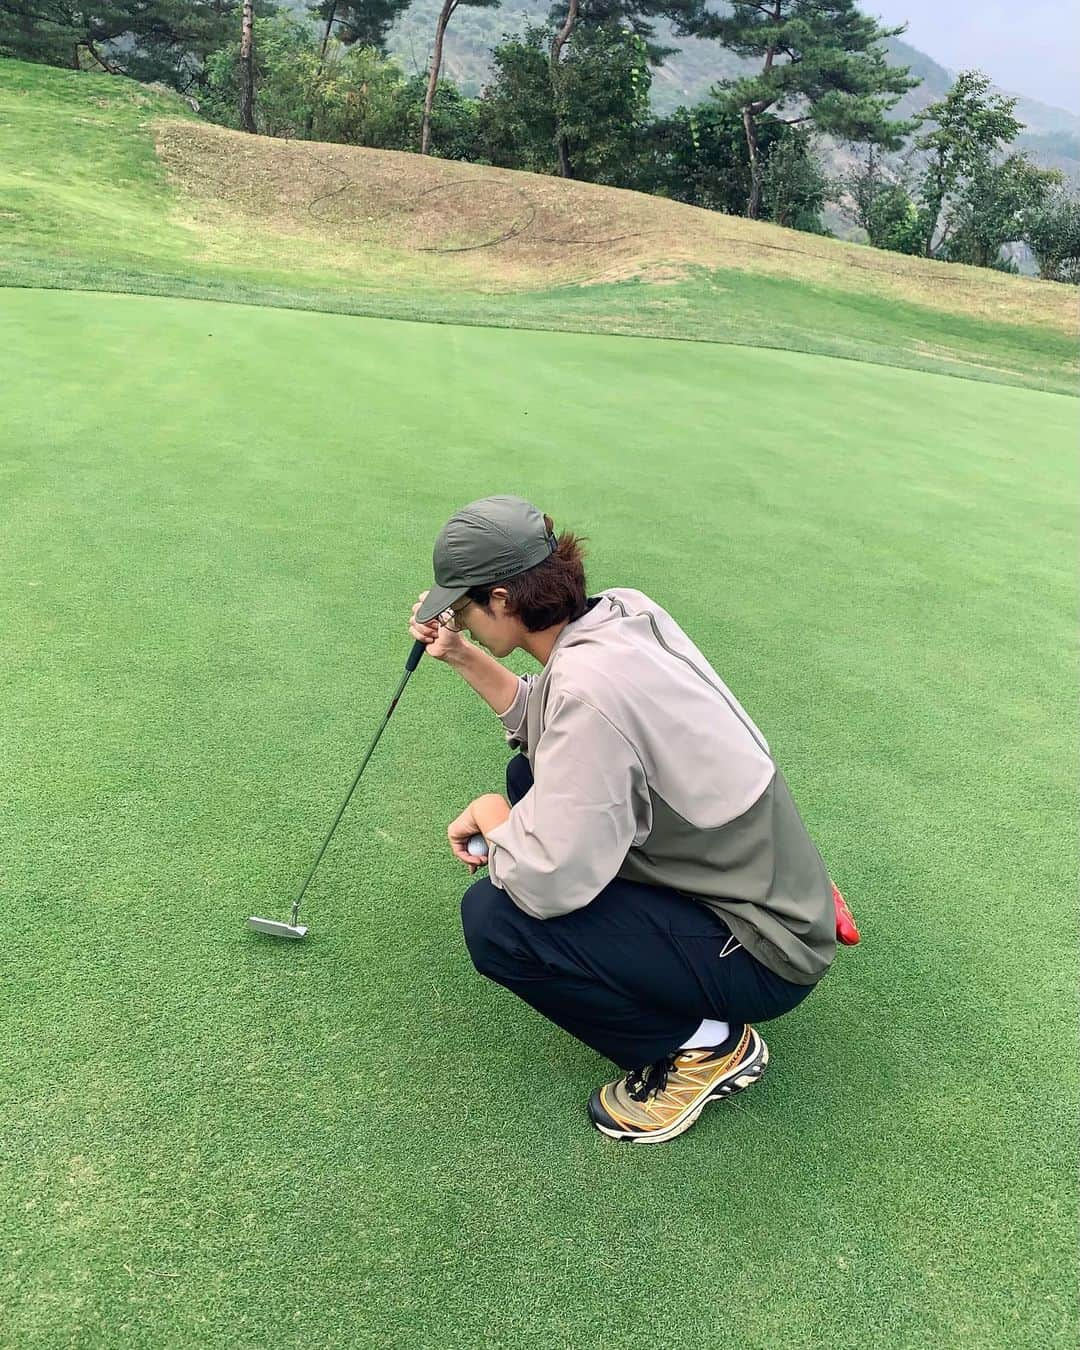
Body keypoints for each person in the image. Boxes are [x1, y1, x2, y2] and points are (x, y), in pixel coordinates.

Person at [409, 495, 837, 1144]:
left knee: (495, 923)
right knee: (531, 778)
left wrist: (498, 824)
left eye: (463, 610)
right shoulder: (619, 614)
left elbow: (543, 879)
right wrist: (463, 655)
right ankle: (690, 1001)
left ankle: (705, 1046)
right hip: (767, 880)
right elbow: (556, 727)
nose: (458, 621)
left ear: (501, 599)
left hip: (764, 951)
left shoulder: (587, 689)